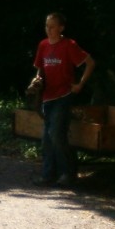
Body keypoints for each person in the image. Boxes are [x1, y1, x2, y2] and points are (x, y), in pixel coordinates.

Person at [32, 12, 95, 187]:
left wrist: (80, 84)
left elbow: (90, 62)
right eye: (47, 26)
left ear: (61, 28)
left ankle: (67, 174)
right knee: (46, 137)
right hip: (47, 97)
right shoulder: (43, 45)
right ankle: (48, 174)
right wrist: (36, 80)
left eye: (52, 26)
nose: (49, 29)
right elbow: (40, 69)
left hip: (63, 96)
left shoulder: (69, 45)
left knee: (56, 135)